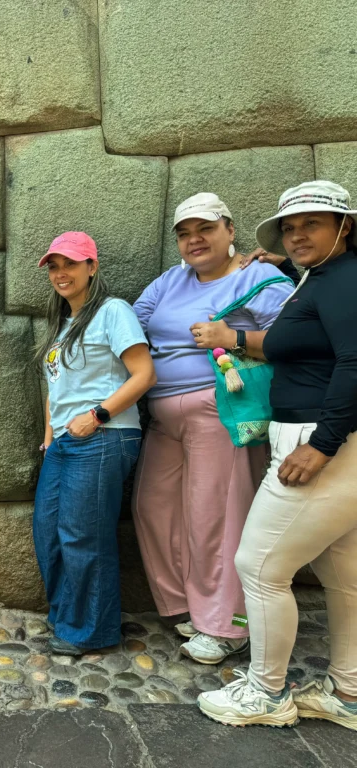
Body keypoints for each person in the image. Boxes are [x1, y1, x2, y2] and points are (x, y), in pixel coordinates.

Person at [199, 181, 357, 730]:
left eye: (311, 224)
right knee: (342, 573)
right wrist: (289, 273)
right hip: (327, 442)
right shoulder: (324, 279)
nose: (296, 235)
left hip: (322, 444)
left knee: (260, 566)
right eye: (290, 228)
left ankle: (266, 693)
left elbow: (355, 363)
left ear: (345, 228)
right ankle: (349, 692)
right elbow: (305, 339)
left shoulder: (343, 280)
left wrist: (321, 445)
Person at [131, 194, 293, 664]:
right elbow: (134, 325)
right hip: (163, 414)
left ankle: (227, 627)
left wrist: (234, 339)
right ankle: (186, 604)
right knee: (153, 508)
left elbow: (296, 339)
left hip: (221, 410)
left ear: (230, 230)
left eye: (205, 229)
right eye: (184, 233)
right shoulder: (170, 281)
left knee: (216, 517)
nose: (194, 240)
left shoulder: (257, 276)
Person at [33, 231, 156, 656]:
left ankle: (92, 631)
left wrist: (98, 414)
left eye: (70, 263)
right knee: (49, 532)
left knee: (84, 536)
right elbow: (56, 388)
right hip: (65, 443)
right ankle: (67, 617)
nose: (60, 272)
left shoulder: (112, 311)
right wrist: (49, 440)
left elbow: (144, 375)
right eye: (54, 265)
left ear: (92, 266)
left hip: (105, 436)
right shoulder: (62, 323)